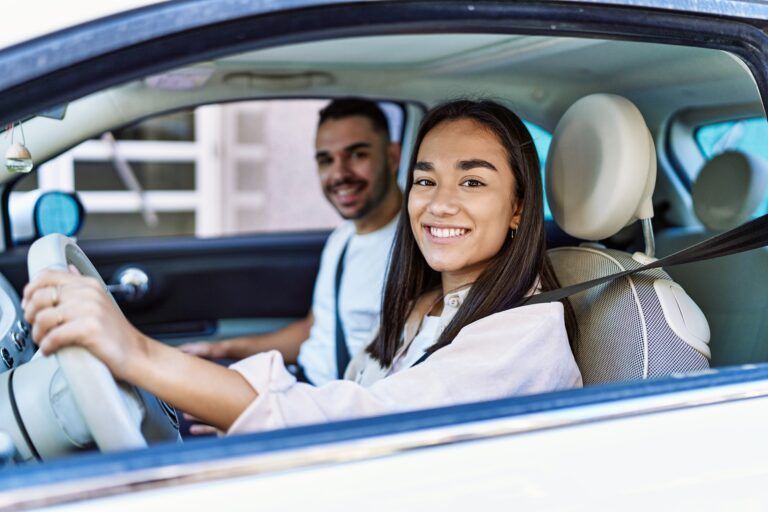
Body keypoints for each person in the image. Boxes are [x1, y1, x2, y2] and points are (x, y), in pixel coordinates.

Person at [23, 99, 582, 435]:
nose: (439, 203)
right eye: (427, 179)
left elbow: (366, 421)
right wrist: (219, 382)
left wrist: (135, 351)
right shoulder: (425, 298)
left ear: (518, 207)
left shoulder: (522, 334)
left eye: (473, 181)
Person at [180, 99, 402, 387]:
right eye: (326, 160)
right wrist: (223, 349)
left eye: (357, 154)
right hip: (301, 384)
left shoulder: (420, 247)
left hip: (334, 409)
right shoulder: (342, 238)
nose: (339, 174)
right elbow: (314, 329)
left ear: (393, 157)